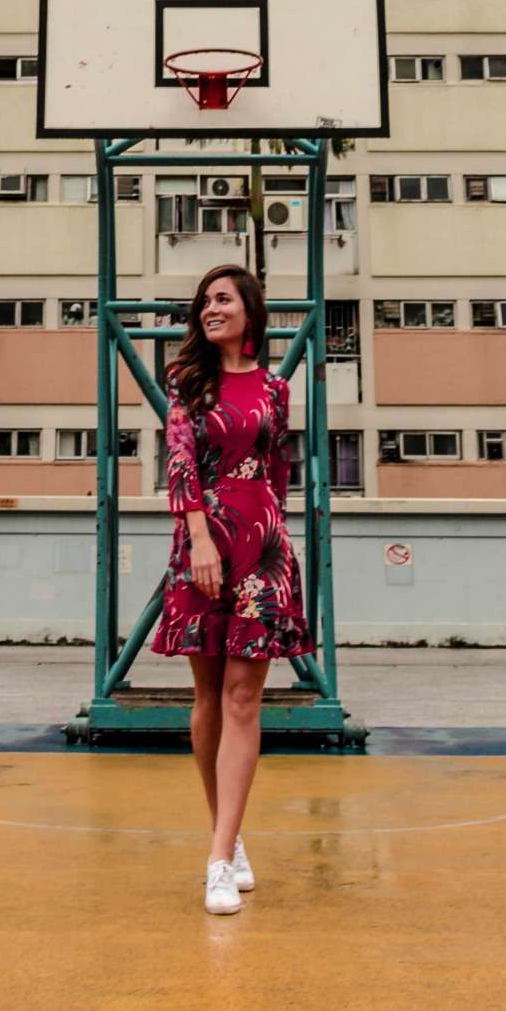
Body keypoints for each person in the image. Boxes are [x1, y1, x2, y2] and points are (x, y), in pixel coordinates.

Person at [150, 262, 313, 915]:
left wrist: (274, 544)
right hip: (202, 539)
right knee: (209, 697)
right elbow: (180, 458)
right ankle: (230, 834)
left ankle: (219, 858)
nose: (209, 308)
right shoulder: (186, 379)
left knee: (246, 698)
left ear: (249, 311)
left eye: (222, 299)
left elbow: (276, 469)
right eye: (204, 301)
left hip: (263, 547)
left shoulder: (275, 388)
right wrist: (200, 535)